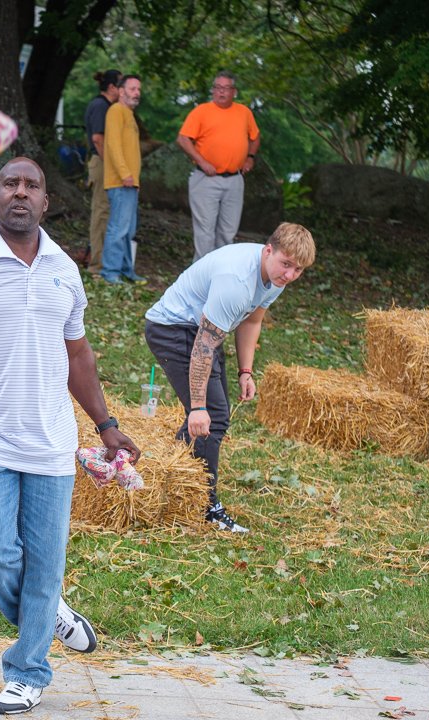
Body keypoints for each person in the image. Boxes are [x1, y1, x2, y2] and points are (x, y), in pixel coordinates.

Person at [0, 157, 141, 716]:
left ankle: (28, 670)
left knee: (45, 562)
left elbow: (78, 352)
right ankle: (50, 616)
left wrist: (106, 425)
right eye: (10, 185)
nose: (20, 193)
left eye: (31, 186)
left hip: (51, 442)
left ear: (45, 201)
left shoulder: (65, 267)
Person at [143, 223, 315, 533]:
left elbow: (252, 321)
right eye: (286, 264)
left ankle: (168, 483)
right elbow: (203, 347)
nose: (290, 275)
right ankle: (205, 506)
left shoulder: (275, 277)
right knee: (212, 416)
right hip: (173, 330)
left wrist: (245, 371)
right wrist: (197, 407)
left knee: (214, 415)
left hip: (204, 331)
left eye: (298, 270)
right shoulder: (236, 281)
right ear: (268, 251)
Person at [176, 71, 261, 262]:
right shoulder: (201, 111)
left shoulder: (244, 112)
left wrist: (250, 157)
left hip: (235, 179)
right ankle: (199, 280)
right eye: (217, 87)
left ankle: (220, 276)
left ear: (234, 91)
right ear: (213, 90)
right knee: (205, 232)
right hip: (206, 180)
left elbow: (255, 137)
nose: (221, 92)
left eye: (226, 88)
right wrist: (202, 161)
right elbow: (183, 139)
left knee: (228, 232)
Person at [100, 74, 146, 285]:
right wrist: (125, 173)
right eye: (132, 88)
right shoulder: (116, 111)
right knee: (118, 228)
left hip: (130, 183)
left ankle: (127, 270)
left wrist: (134, 179)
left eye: (138, 89)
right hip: (120, 181)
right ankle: (110, 272)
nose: (137, 92)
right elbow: (113, 145)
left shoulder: (128, 114)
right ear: (121, 91)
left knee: (129, 230)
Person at [81, 69, 121, 275]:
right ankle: (96, 266)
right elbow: (98, 139)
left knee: (107, 212)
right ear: (112, 87)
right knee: (101, 213)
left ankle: (104, 260)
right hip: (102, 163)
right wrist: (113, 166)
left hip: (107, 164)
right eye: (121, 84)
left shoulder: (110, 107)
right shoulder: (100, 106)